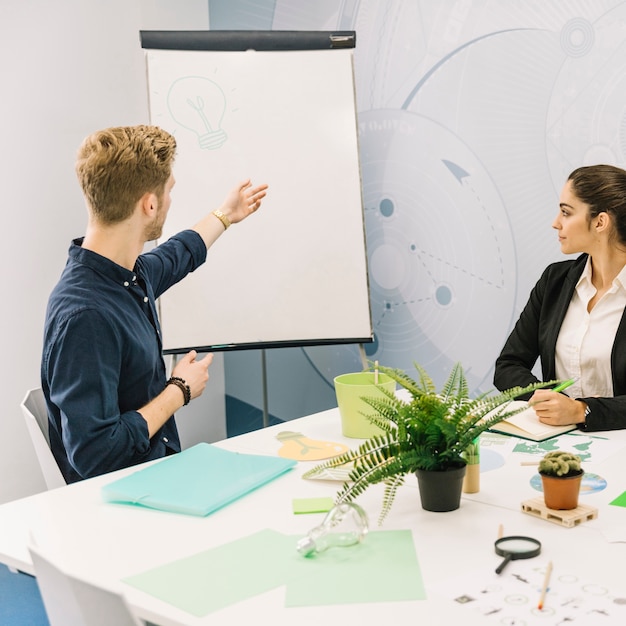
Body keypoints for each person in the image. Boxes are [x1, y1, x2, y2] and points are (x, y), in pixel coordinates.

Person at [41, 125, 268, 483]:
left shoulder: (120, 274)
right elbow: (94, 454)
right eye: (169, 191)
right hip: (127, 498)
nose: (170, 198)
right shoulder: (87, 317)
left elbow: (177, 255)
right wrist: (179, 390)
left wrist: (225, 214)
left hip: (153, 472)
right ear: (149, 204)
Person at [494, 164, 626, 432]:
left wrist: (582, 410)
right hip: (558, 443)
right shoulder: (555, 281)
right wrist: (546, 399)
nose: (556, 222)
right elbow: (509, 364)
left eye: (566, 212)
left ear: (600, 221)